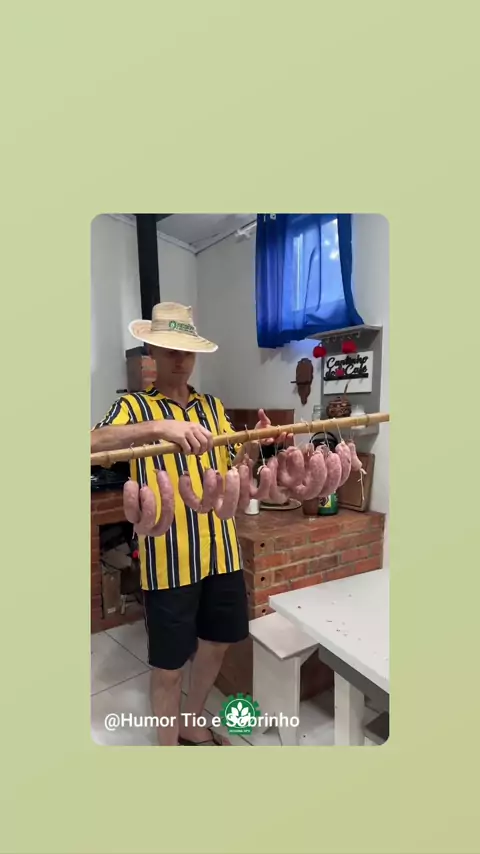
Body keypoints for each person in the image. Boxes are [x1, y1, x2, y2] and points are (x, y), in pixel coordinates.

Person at [92, 302, 287, 746]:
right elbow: (90, 442)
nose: (179, 360)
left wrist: (258, 445)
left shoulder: (212, 408)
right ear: (152, 351)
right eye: (169, 350)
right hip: (169, 559)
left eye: (186, 351)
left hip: (221, 552)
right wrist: (158, 427)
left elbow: (231, 466)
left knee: (218, 642)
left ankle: (191, 720)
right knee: (168, 666)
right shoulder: (134, 406)